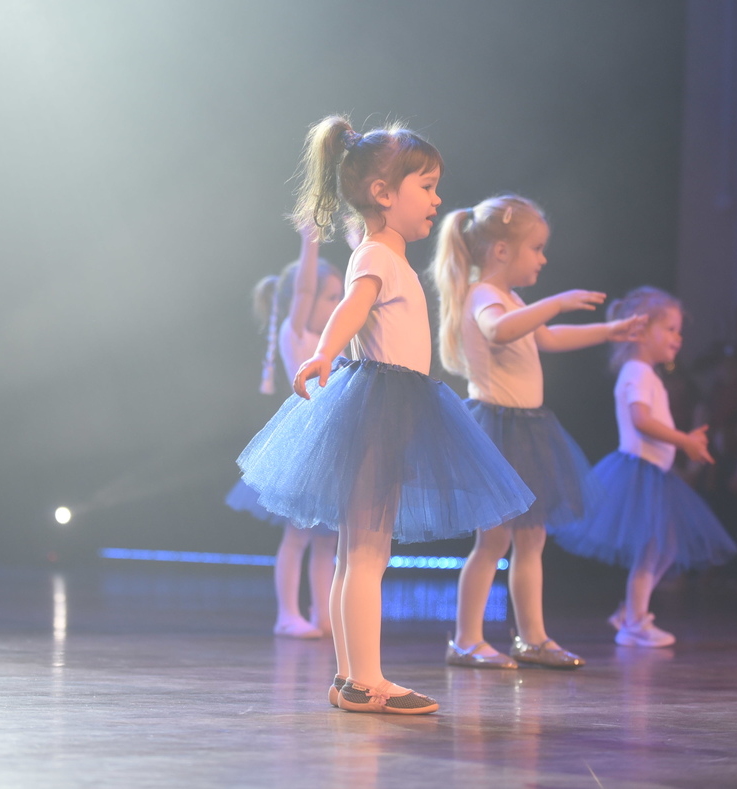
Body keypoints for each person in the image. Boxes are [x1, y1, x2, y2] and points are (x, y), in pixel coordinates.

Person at [237, 117, 531, 714]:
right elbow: (354, 304)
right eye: (426, 186)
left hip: (389, 405)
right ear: (383, 193)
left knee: (358, 554)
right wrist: (324, 349)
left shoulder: (385, 255)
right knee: (367, 555)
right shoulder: (376, 255)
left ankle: (350, 677)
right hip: (382, 405)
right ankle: (365, 681)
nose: (437, 199)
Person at [430, 194, 644, 670]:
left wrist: (608, 331)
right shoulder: (483, 295)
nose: (543, 259)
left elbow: (545, 337)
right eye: (537, 248)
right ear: (502, 250)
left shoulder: (513, 299)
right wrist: (556, 303)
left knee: (532, 539)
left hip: (526, 430)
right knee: (493, 542)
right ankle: (466, 640)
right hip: (498, 430)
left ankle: (533, 638)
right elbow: (499, 331)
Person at [554, 287, 736, 647]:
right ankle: (635, 622)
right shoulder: (637, 371)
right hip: (640, 473)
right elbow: (641, 420)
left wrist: (683, 442)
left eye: (679, 330)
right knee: (652, 549)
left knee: (663, 548)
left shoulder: (645, 373)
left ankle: (631, 612)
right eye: (669, 329)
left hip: (653, 473)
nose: (678, 338)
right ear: (639, 331)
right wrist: (684, 440)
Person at [226, 227, 341, 638]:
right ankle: (287, 614)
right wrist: (311, 240)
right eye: (331, 298)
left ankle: (323, 615)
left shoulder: (333, 340)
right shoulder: (298, 332)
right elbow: (305, 289)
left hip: (332, 443)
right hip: (305, 443)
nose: (337, 305)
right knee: (298, 535)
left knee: (327, 540)